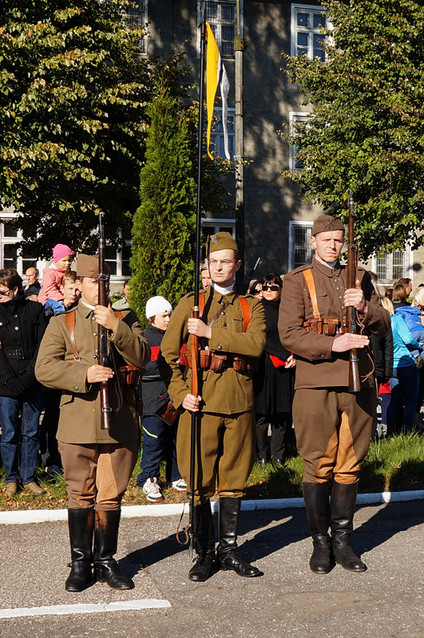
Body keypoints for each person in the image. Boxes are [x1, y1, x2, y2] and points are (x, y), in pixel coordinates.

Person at [279, 214, 390, 575]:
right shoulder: (297, 281)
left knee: (350, 462)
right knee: (318, 462)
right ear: (313, 241)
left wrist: (363, 307)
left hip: (359, 384)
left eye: (338, 240)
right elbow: (290, 334)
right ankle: (320, 545)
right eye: (326, 239)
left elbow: (384, 325)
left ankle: (343, 543)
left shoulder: (360, 278)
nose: (332, 245)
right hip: (316, 384)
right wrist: (333, 343)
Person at [35, 254, 150, 592]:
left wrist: (117, 327)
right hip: (78, 423)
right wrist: (83, 373)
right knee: (80, 493)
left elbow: (142, 355)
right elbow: (44, 369)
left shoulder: (126, 318)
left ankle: (106, 560)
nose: (99, 286)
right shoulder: (63, 323)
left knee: (111, 495)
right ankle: (81, 563)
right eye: (91, 281)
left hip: (119, 422)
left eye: (104, 280)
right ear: (79, 284)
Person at [160, 232, 266, 582]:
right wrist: (179, 394)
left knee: (234, 479)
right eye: (213, 262)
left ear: (237, 265)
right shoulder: (191, 303)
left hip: (238, 402)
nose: (219, 267)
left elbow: (256, 345)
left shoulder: (251, 306)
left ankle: (229, 550)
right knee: (200, 480)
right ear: (206, 266)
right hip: (199, 403)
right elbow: (168, 356)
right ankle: (205, 552)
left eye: (226, 261)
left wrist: (210, 332)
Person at [0, 268, 47, 496]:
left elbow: (43, 346)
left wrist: (29, 377)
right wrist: (10, 379)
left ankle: (28, 478)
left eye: (2, 291)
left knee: (31, 431)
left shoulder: (35, 310)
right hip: (5, 382)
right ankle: (11, 478)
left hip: (32, 379)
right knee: (9, 432)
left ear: (15, 289)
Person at [136, 296, 186, 502]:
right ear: (151, 317)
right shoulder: (145, 340)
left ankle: (175, 475)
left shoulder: (175, 337)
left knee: (176, 440)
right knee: (153, 442)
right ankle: (148, 478)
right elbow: (144, 367)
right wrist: (169, 363)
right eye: (164, 315)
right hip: (152, 403)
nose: (168, 319)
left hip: (173, 400)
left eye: (170, 315)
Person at [41, 271, 81, 477]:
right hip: (57, 372)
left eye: (77, 289)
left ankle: (70, 460)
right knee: (52, 417)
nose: (74, 293)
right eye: (70, 288)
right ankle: (50, 460)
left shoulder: (81, 311)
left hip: (76, 373)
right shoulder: (50, 312)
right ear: (62, 289)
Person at [253, 273, 296, 466]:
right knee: (261, 415)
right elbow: (261, 337)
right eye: (266, 287)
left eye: (274, 287)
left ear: (281, 290)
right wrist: (284, 354)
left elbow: (295, 333)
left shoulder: (288, 310)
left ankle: (278, 456)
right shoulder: (257, 309)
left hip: (284, 368)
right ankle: (261, 455)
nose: (269, 291)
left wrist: (295, 355)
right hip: (263, 365)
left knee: (281, 414)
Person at [387, 298, 423, 434]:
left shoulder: (382, 323)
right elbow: (408, 339)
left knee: (395, 400)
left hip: (392, 365)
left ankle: (391, 432)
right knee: (410, 402)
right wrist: (419, 345)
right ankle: (406, 433)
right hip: (406, 363)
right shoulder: (396, 320)